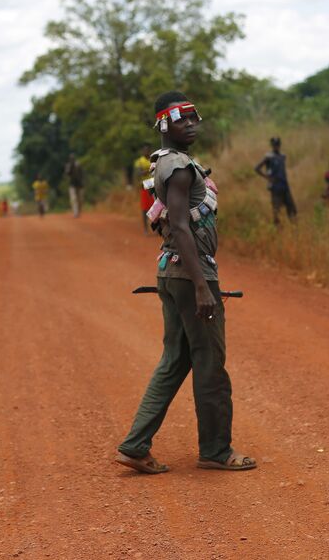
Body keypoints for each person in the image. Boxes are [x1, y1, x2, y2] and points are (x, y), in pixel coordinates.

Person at [115, 90, 255, 475]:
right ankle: (216, 450)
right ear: (164, 124)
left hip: (170, 271)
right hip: (190, 274)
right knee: (210, 365)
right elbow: (178, 225)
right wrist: (200, 285)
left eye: (195, 117)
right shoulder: (177, 168)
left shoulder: (168, 163)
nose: (192, 124)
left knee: (175, 360)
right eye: (183, 119)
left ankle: (135, 444)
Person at [254, 137, 297, 225]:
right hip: (275, 187)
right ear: (272, 146)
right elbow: (257, 168)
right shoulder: (269, 157)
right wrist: (267, 177)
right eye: (275, 145)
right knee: (276, 210)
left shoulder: (282, 156)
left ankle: (294, 228)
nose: (276, 146)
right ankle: (277, 229)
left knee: (291, 208)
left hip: (284, 186)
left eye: (278, 145)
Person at [134, 143, 154, 234]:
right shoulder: (139, 161)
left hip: (154, 185)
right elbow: (139, 173)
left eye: (148, 150)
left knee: (156, 207)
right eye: (144, 150)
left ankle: (156, 228)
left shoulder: (153, 160)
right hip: (145, 185)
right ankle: (146, 229)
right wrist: (150, 170)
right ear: (142, 151)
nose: (146, 151)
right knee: (145, 208)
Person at [65, 153, 84, 218]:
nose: (72, 160)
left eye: (73, 158)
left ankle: (78, 211)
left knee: (80, 200)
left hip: (79, 184)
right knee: (73, 199)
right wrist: (70, 168)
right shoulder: (68, 165)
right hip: (72, 185)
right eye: (71, 159)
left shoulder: (78, 164)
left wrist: (82, 181)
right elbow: (67, 173)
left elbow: (82, 173)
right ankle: (75, 212)